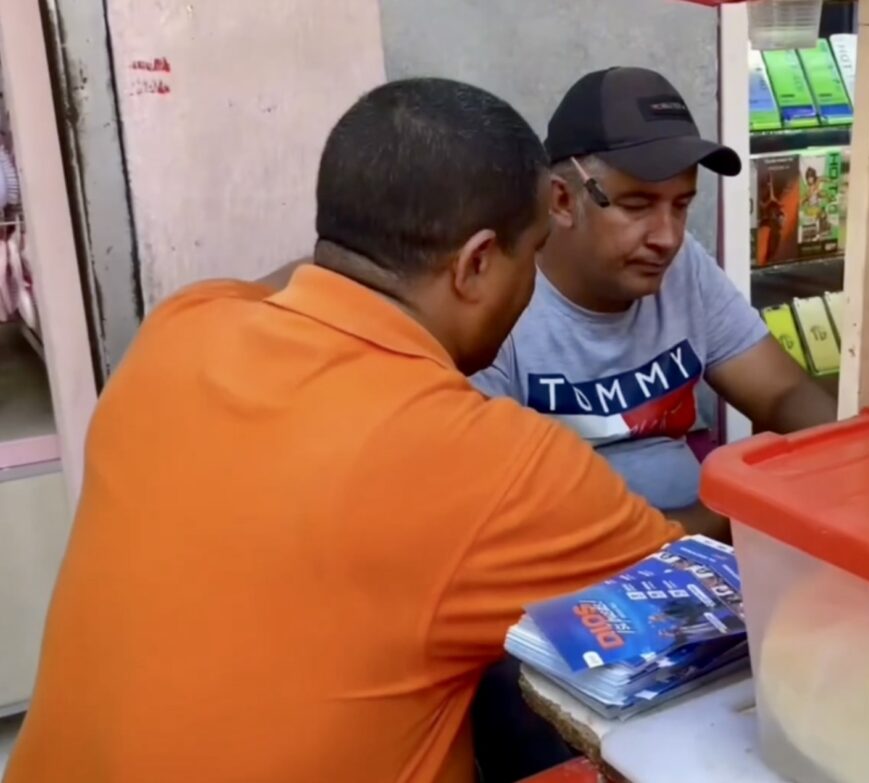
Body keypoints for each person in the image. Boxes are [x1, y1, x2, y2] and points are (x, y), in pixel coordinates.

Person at [4, 79, 680, 783]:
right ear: (478, 263)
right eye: (533, 253)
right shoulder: (490, 461)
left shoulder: (180, 330)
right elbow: (707, 600)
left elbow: (300, 280)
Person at [473, 67, 836, 531]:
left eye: (681, 205)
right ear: (561, 200)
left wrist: (852, 464)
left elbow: (781, 392)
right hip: (593, 560)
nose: (667, 237)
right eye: (637, 206)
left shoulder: (682, 265)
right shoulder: (500, 297)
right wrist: (736, 518)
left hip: (704, 542)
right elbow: (511, 520)